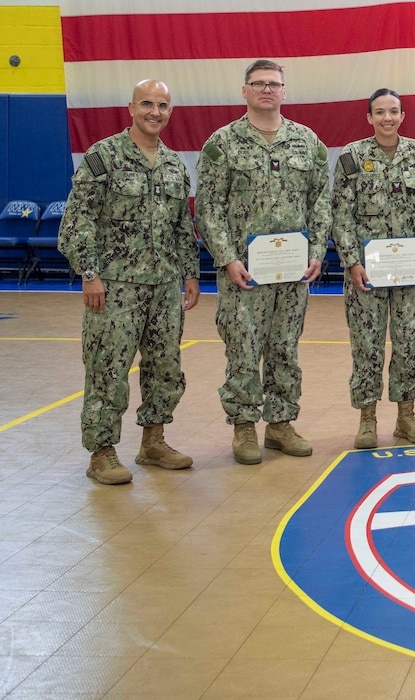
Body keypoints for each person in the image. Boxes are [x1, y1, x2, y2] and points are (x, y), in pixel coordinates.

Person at [58, 79, 199, 485]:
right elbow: (77, 221)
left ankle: (153, 442)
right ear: (131, 108)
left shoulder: (174, 164)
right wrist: (90, 273)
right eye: (147, 104)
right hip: (114, 286)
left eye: (163, 105)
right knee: (108, 368)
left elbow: (180, 227)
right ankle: (101, 452)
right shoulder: (103, 156)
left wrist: (190, 273)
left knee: (165, 366)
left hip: (164, 287)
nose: (155, 112)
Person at [197, 59, 331, 464]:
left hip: (292, 272)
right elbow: (208, 208)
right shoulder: (222, 143)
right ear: (245, 91)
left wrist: (317, 252)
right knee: (242, 348)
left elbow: (321, 202)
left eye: (274, 84)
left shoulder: (307, 142)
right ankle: (243, 428)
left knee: (285, 348)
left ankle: (280, 424)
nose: (267, 90)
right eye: (258, 84)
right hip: (244, 273)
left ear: (285, 91)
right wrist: (227, 258)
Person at [330, 88, 415, 448]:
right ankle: (367, 418)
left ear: (402, 115)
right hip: (367, 273)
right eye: (379, 112)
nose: (387, 118)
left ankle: (406, 417)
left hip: (412, 270)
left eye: (393, 111)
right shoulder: (352, 157)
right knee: (367, 345)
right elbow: (341, 215)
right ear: (369, 118)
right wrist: (351, 261)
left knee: (409, 342)